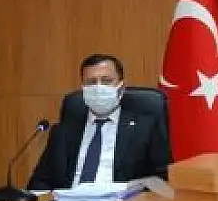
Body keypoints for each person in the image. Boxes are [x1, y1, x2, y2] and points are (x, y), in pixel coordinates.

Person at [28, 54, 171, 190]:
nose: (98, 88)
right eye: (91, 82)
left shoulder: (145, 129)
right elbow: (39, 183)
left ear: (121, 88)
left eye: (106, 81)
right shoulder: (63, 131)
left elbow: (162, 179)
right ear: (83, 88)